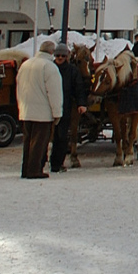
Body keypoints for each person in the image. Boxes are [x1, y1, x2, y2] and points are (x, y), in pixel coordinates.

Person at [16, 40, 64, 179]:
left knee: (27, 142)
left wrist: (20, 106)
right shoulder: (49, 67)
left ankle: (25, 169)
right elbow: (54, 93)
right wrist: (57, 113)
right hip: (43, 113)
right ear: (52, 52)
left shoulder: (25, 64)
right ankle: (34, 170)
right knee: (39, 143)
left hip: (26, 110)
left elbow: (18, 87)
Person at [51, 45, 91, 174]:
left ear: (67, 57)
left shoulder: (72, 71)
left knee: (62, 136)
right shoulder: (49, 68)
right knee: (48, 136)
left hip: (65, 106)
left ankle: (57, 163)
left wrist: (81, 103)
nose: (60, 58)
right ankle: (43, 161)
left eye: (63, 56)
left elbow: (78, 88)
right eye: (58, 55)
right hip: (49, 107)